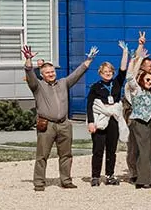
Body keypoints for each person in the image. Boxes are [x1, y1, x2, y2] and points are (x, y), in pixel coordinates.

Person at [23, 43, 96, 191]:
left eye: (52, 71)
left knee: (66, 154)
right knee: (42, 155)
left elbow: (76, 74)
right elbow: (30, 74)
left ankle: (66, 180)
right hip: (47, 125)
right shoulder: (38, 86)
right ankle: (39, 182)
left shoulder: (63, 83)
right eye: (47, 73)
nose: (51, 74)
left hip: (64, 124)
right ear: (42, 75)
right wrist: (28, 60)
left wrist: (88, 60)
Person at [86, 45, 128, 187]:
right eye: (105, 72)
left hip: (113, 118)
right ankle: (95, 176)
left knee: (111, 150)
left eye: (110, 71)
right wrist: (91, 122)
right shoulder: (95, 87)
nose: (108, 74)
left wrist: (125, 52)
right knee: (98, 149)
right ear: (100, 73)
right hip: (100, 119)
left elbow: (123, 70)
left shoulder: (116, 83)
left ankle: (110, 175)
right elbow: (90, 105)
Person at [125, 54, 151, 189]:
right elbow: (129, 76)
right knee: (144, 150)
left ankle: (147, 178)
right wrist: (137, 59)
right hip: (140, 121)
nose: (149, 82)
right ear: (141, 79)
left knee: (150, 150)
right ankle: (143, 179)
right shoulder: (137, 90)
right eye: (147, 79)